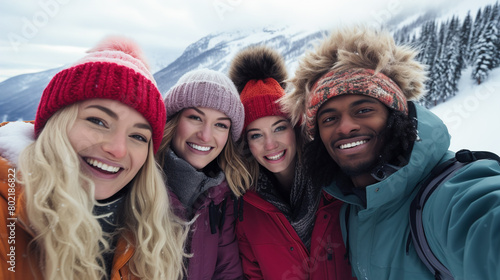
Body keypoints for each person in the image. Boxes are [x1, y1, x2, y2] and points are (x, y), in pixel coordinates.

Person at [280, 25, 500, 280]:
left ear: (396, 117)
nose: (346, 126)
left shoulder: (448, 195)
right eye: (329, 119)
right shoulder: (349, 206)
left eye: (363, 110)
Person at [0, 36, 188, 280]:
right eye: (98, 121)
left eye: (138, 136)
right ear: (55, 124)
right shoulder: (9, 214)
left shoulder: (149, 235)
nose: (117, 149)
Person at [228, 45, 355, 279]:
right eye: (256, 134)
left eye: (279, 128)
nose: (270, 144)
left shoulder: (338, 184)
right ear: (246, 143)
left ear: (295, 128)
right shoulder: (247, 209)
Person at [156, 68, 251, 279]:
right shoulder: (140, 184)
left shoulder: (220, 196)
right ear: (173, 120)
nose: (205, 135)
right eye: (195, 118)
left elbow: (227, 272)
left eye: (220, 125)